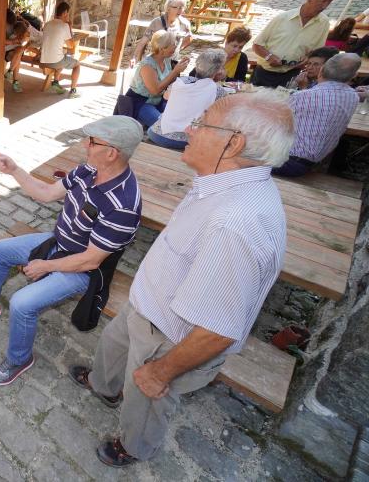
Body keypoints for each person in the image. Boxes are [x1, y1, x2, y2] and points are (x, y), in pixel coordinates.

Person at [69, 91, 293, 467]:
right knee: (113, 343)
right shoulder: (223, 182)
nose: (189, 128)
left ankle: (134, 445)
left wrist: (161, 370)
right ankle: (105, 386)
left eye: (202, 122)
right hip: (148, 303)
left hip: (167, 335)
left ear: (232, 143)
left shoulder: (236, 224)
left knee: (147, 395)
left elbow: (218, 330)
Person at [0, 116, 143, 386]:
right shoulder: (89, 169)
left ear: (112, 153)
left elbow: (90, 261)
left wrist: (45, 266)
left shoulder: (123, 204)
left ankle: (19, 360)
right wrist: (15, 170)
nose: (85, 145)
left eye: (92, 141)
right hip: (58, 243)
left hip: (83, 268)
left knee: (22, 303)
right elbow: (45, 192)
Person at [274, 53, 361, 177]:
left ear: (321, 71)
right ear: (353, 76)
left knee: (239, 146)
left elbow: (272, 122)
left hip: (287, 162)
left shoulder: (302, 97)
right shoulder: (353, 96)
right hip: (316, 160)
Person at [251, 0, 339, 88]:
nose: (325, 6)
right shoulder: (283, 18)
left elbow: (316, 53)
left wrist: (308, 59)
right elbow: (256, 45)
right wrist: (269, 56)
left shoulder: (324, 23)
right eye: (323, 1)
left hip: (292, 75)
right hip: (265, 73)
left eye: (329, 2)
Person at [147, 48, 228, 150]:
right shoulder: (219, 91)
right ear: (218, 71)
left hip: (156, 134)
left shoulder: (180, 81)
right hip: (184, 141)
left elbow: (166, 96)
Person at [127, 30, 190, 126]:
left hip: (159, 100)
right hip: (140, 102)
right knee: (161, 125)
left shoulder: (167, 60)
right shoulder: (147, 65)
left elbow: (170, 81)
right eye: (172, 44)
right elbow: (155, 90)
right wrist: (175, 71)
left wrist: (180, 67)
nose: (175, 46)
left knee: (180, 117)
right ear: (162, 49)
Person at [133, 0, 193, 65]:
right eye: (175, 7)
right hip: (155, 62)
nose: (179, 10)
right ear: (168, 8)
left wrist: (179, 48)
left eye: (181, 7)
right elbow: (143, 41)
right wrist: (134, 57)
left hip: (172, 61)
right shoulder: (157, 22)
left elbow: (189, 38)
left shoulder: (184, 23)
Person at [40, 2, 81, 98]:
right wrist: (69, 27)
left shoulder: (47, 24)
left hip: (43, 60)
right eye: (68, 13)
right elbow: (71, 45)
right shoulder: (64, 26)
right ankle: (73, 90)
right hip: (54, 62)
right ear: (65, 13)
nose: (68, 16)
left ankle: (55, 82)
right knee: (77, 65)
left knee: (62, 56)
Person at [4, 20, 30, 93]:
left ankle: (10, 72)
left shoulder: (25, 35)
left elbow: (27, 43)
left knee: (19, 52)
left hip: (15, 51)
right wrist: (13, 41)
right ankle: (14, 80)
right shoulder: (13, 35)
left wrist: (26, 43)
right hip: (8, 51)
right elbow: (3, 41)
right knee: (18, 57)